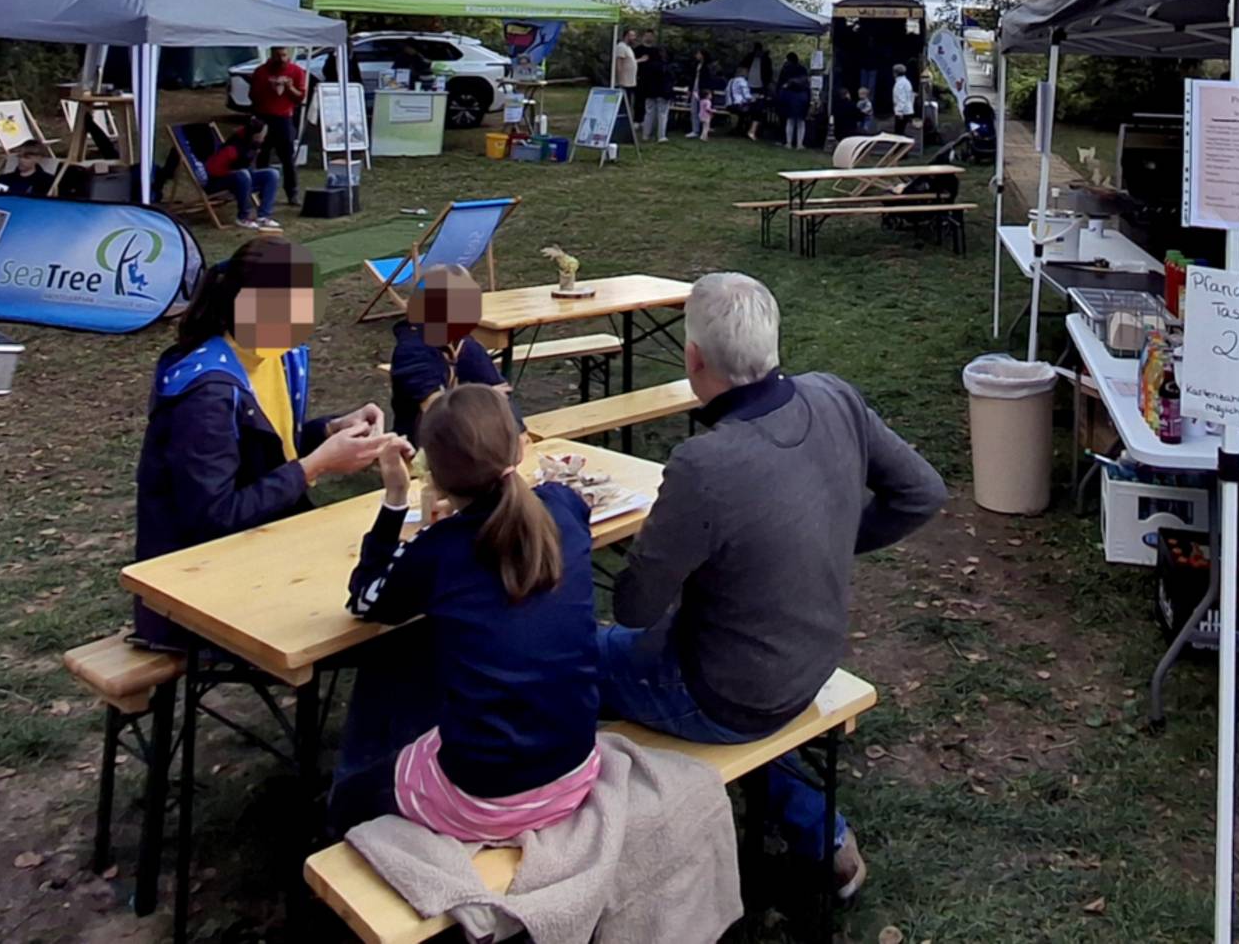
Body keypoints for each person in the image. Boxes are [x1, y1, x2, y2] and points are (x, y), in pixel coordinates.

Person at [596, 272, 944, 901]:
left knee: (570, 652)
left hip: (724, 691)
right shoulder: (832, 396)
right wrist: (831, 535)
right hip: (804, 663)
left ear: (693, 358)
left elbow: (636, 608)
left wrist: (654, 549)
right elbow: (923, 492)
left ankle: (557, 834)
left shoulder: (706, 464)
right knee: (740, 675)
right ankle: (825, 837)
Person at [330, 385, 600, 837]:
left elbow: (366, 599)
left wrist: (394, 498)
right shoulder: (562, 509)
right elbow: (548, 522)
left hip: (484, 796)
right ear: (517, 445)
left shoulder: (438, 551)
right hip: (575, 768)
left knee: (350, 798)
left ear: (431, 471)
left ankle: (330, 883)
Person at [133, 237, 384, 647]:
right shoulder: (207, 392)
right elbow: (214, 516)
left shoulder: (273, 355)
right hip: (198, 589)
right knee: (387, 618)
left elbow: (265, 447)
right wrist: (316, 465)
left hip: (267, 548)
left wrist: (330, 431)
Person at [390, 264, 517, 446]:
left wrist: (519, 435)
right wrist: (483, 398)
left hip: (474, 443)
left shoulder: (465, 344)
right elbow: (437, 413)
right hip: (427, 451)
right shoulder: (413, 350)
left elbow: (503, 394)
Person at [249, 47, 308, 208]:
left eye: (284, 55)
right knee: (262, 156)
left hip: (283, 118)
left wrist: (289, 87)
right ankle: (261, 192)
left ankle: (292, 193)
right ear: (272, 56)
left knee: (287, 158)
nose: (281, 59)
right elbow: (252, 96)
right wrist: (268, 87)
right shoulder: (261, 72)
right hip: (264, 117)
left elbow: (301, 96)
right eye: (277, 56)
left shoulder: (296, 71)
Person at [204, 118, 281, 230]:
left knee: (272, 174)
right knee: (243, 174)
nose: (264, 138)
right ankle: (243, 217)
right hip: (218, 183)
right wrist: (234, 172)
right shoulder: (232, 149)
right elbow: (212, 170)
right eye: (262, 135)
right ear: (254, 134)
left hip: (243, 180)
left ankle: (264, 216)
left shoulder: (252, 145)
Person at [640, 42, 673, 143]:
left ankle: (646, 135)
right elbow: (668, 80)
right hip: (662, 92)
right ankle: (661, 136)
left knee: (649, 113)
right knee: (662, 114)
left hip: (650, 92)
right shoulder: (664, 66)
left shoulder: (648, 65)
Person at [776, 53, 810, 151]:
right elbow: (807, 84)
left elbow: (780, 84)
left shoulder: (786, 69)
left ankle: (788, 142)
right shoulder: (802, 69)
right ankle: (800, 144)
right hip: (802, 97)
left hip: (789, 96)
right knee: (801, 122)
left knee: (790, 120)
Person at [890, 64, 916, 137]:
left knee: (898, 133)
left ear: (895, 73)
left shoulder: (900, 84)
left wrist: (899, 111)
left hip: (902, 111)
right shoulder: (906, 81)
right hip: (907, 109)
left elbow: (901, 98)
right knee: (900, 131)